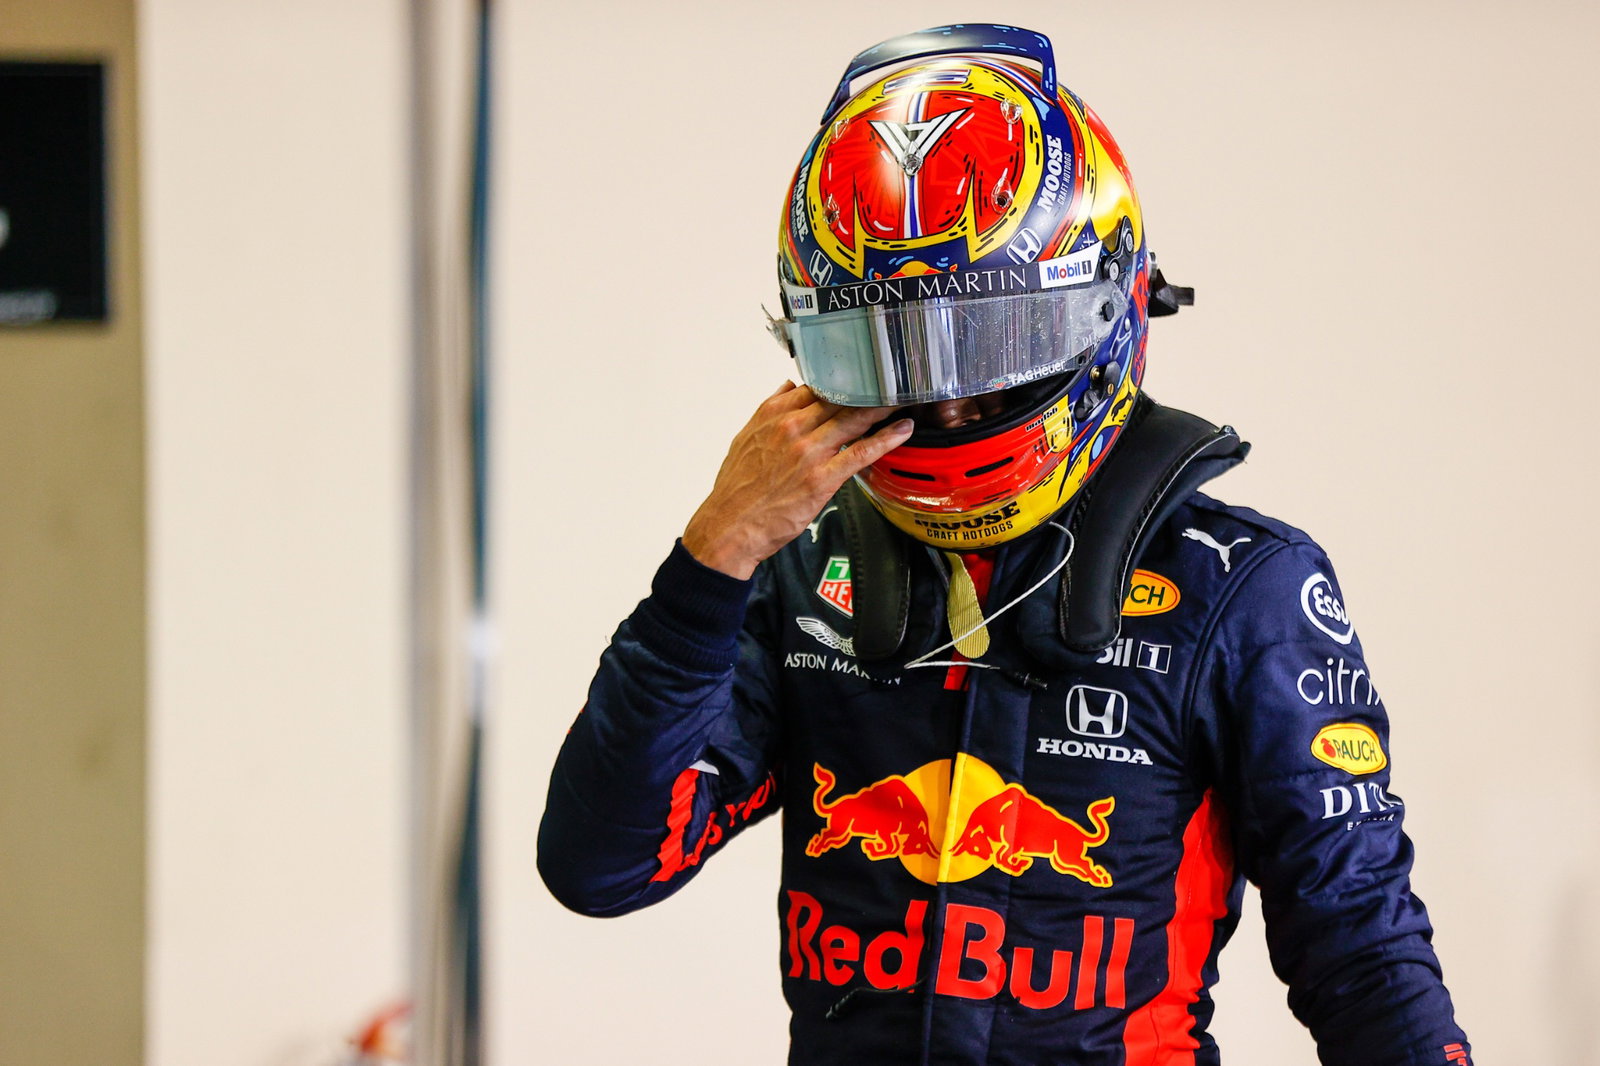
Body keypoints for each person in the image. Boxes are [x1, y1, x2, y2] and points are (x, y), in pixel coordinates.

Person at [538, 24, 1472, 1066]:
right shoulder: (795, 571)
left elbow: (1362, 954)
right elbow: (600, 866)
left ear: (1107, 300)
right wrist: (713, 553)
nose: (941, 400)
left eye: (981, 342)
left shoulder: (1241, 587)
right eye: (886, 348)